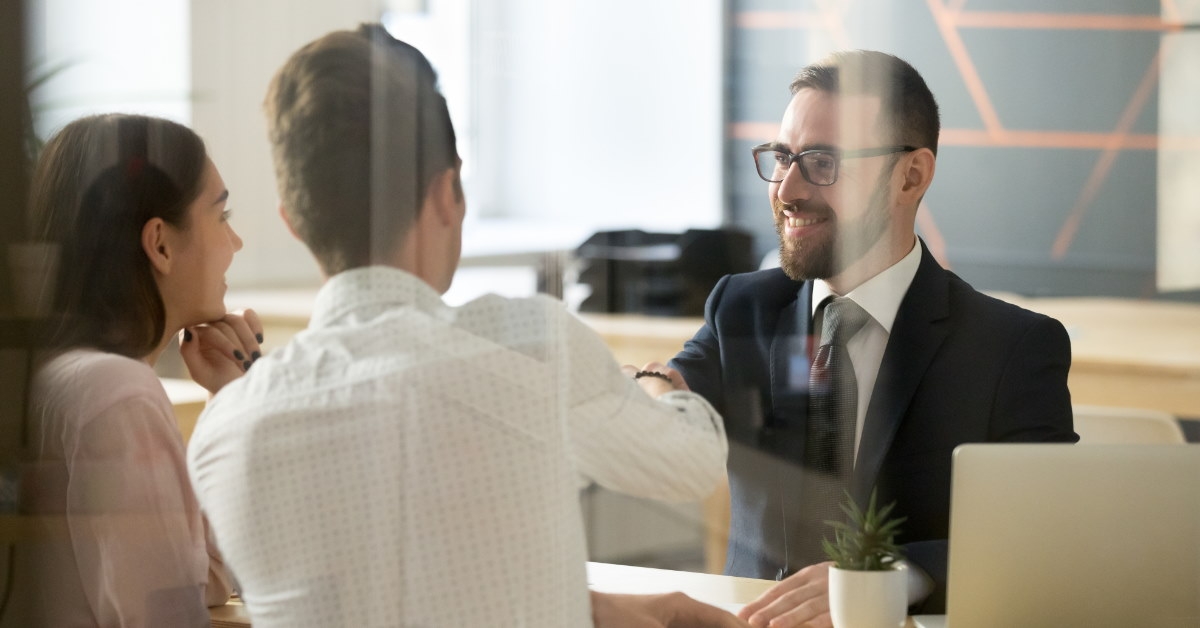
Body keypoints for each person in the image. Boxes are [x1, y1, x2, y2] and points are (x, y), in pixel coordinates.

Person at [186, 24, 746, 628]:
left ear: (293, 221)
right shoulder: (532, 348)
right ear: (447, 192)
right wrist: (651, 380)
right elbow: (691, 464)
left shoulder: (224, 432)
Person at [668, 50, 1077, 626]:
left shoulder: (1011, 347)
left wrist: (890, 577)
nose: (787, 190)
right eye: (783, 157)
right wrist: (651, 391)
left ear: (911, 175)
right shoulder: (742, 307)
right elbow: (676, 387)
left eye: (823, 162)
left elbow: (1045, 535)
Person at [10, 114, 262, 627]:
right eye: (221, 214)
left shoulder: (60, 374)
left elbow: (203, 579)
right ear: (161, 244)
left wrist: (226, 400)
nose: (235, 242)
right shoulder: (117, 392)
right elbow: (167, 617)